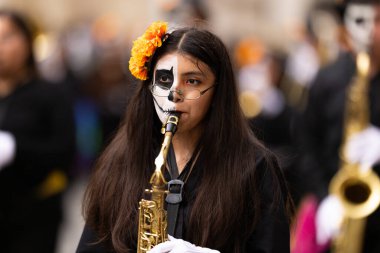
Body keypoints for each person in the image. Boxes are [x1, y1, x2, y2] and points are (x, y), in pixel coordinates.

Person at [76, 21, 294, 253]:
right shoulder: (120, 160)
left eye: (192, 81)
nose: (173, 95)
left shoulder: (256, 167)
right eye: (163, 80)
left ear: (218, 91)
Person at [293, 0, 380, 252]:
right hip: (336, 209)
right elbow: (306, 145)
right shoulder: (326, 79)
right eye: (362, 21)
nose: (371, 31)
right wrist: (324, 197)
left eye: (378, 21)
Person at [0, 10, 75, 253]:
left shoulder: (50, 95)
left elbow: (65, 154)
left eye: (7, 37)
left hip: (34, 216)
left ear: (27, 41)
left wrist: (16, 148)